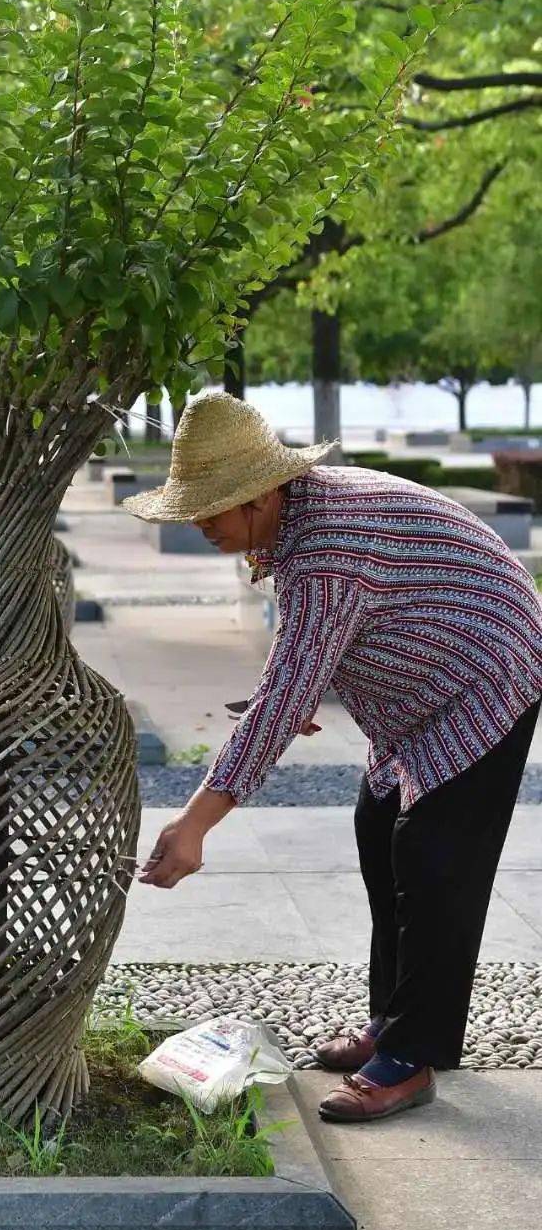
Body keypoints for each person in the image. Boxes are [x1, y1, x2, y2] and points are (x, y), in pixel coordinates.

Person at [126, 391, 542, 1124]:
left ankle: (410, 1058)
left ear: (260, 495)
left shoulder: (324, 553)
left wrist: (195, 823)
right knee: (379, 834)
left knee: (435, 862)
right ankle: (393, 1021)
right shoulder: (299, 516)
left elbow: (284, 694)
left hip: (487, 675)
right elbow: (312, 653)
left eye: (211, 509)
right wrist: (311, 680)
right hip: (424, 685)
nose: (200, 524)